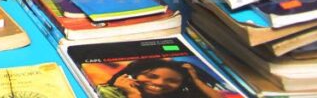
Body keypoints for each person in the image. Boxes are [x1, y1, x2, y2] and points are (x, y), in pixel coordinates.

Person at [96, 58, 225, 98]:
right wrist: (133, 94)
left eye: (173, 81)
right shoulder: (109, 92)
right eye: (151, 76)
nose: (160, 83)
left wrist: (197, 82)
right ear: (133, 75)